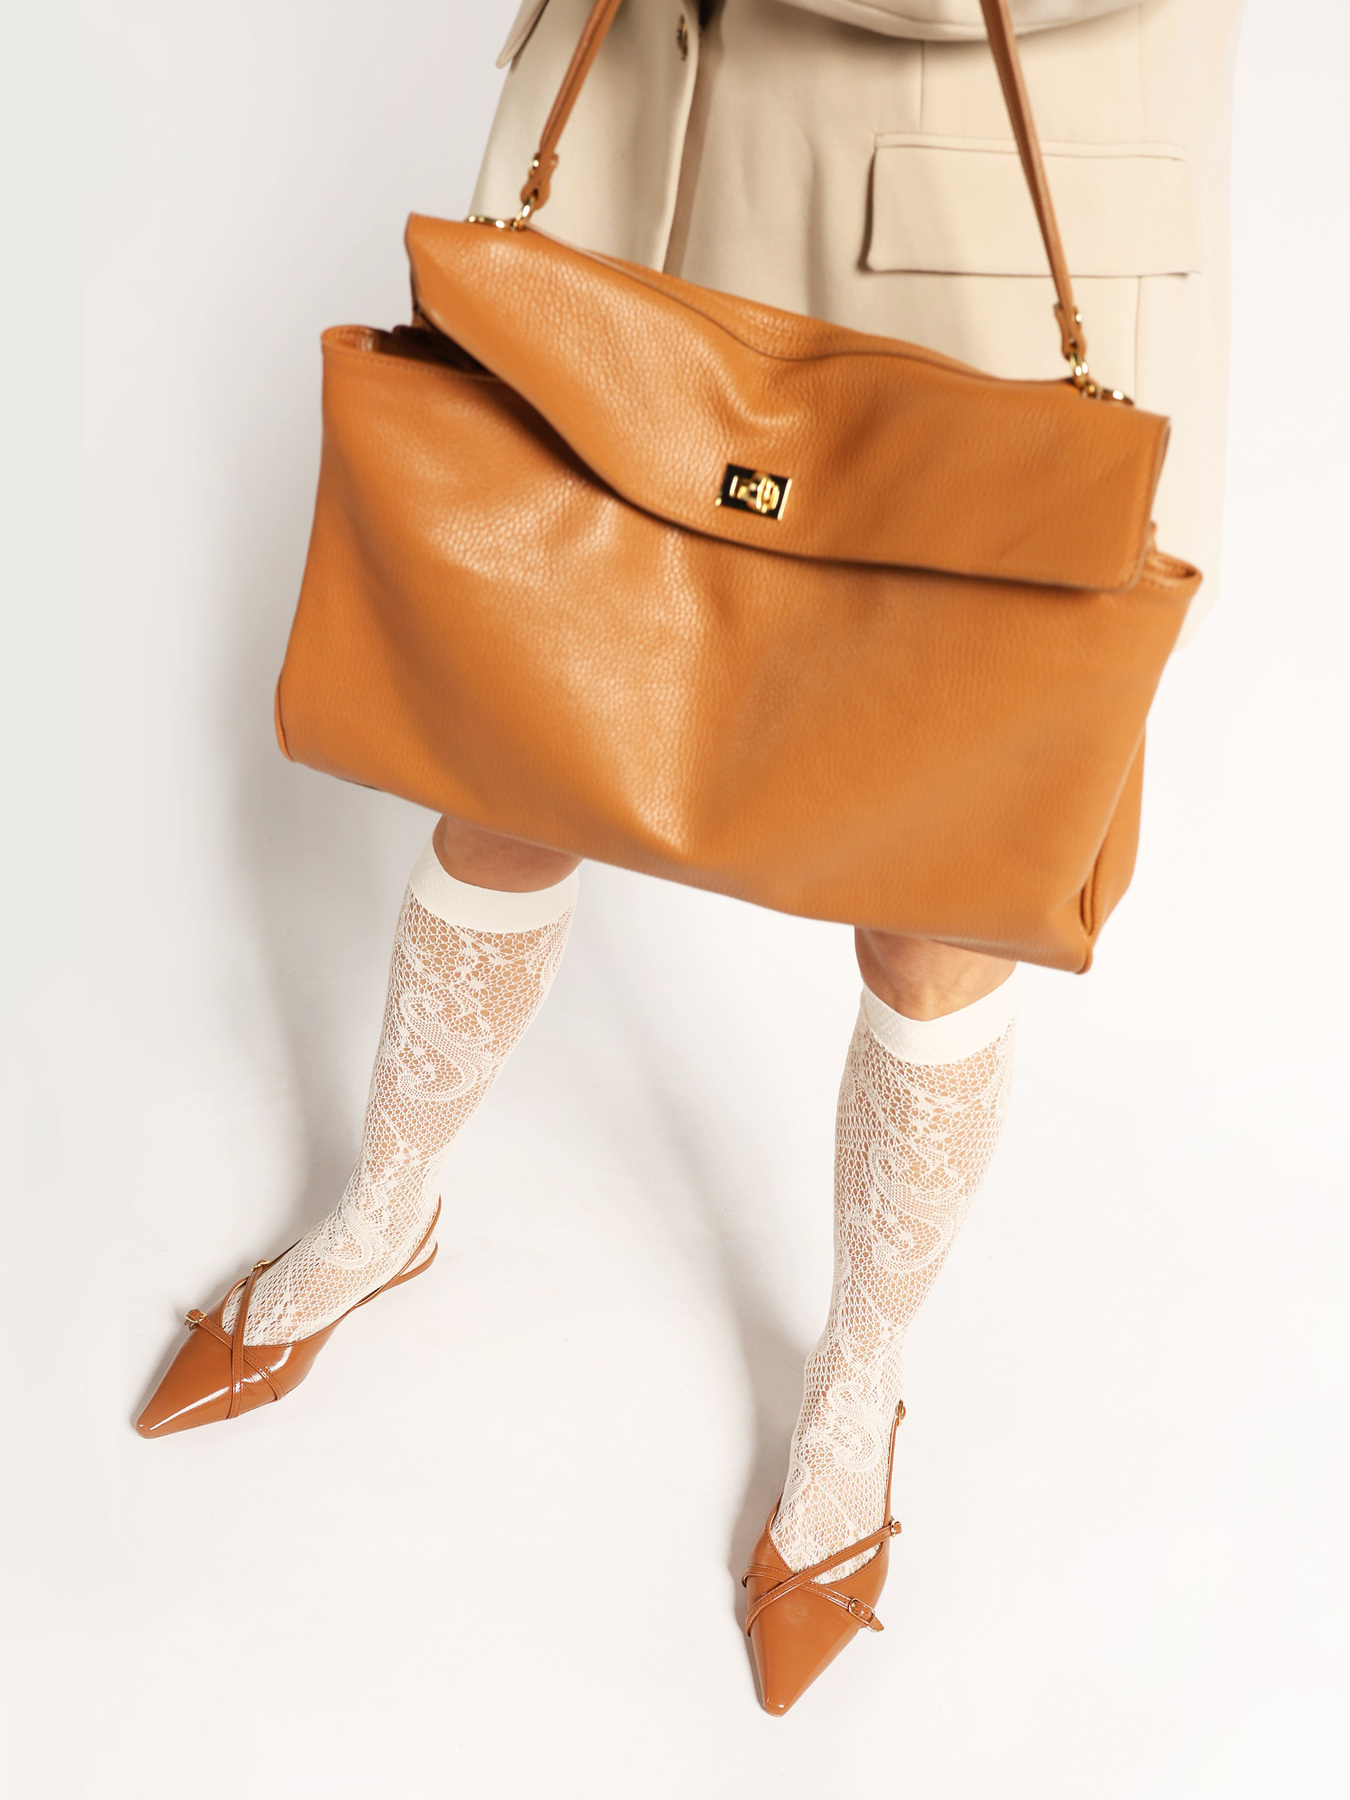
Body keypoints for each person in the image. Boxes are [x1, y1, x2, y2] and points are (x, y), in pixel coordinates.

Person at [136, 0, 1244, 1714]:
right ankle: (383, 1208)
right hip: (648, 138)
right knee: (510, 750)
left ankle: (855, 1388)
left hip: (956, 228)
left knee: (940, 897)